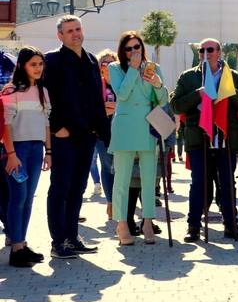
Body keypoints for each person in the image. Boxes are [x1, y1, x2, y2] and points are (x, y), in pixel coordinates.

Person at [170, 38, 238, 243]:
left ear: (219, 52)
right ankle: (194, 227)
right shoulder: (189, 77)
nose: (205, 53)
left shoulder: (233, 77)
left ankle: (231, 225)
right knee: (198, 183)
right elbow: (176, 106)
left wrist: (230, 93)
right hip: (199, 139)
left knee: (227, 183)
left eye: (210, 49)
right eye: (201, 50)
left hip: (225, 139)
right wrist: (197, 94)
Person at [43, 15, 110, 259]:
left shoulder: (92, 60)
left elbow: (97, 100)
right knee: (60, 188)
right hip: (64, 136)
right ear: (60, 36)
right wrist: (55, 128)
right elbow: (45, 98)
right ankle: (58, 242)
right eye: (69, 30)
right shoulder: (52, 60)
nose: (75, 34)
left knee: (78, 189)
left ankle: (72, 237)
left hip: (87, 136)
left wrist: (103, 132)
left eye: (78, 29)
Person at [106, 31, 166, 246]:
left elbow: (163, 99)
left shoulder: (153, 67)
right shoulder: (114, 68)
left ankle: (148, 221)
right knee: (121, 179)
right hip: (124, 128)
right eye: (129, 48)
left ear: (142, 48)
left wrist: (158, 84)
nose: (133, 52)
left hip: (148, 128)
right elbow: (122, 94)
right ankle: (121, 224)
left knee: (149, 180)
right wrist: (132, 69)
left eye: (137, 47)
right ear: (123, 51)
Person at [4, 48, 52, 266]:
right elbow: (5, 126)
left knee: (28, 199)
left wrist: (48, 152)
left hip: (36, 150)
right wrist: (12, 155)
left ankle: (22, 244)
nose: (38, 68)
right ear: (23, 65)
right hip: (17, 151)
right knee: (18, 198)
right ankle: (15, 249)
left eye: (40, 64)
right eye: (33, 64)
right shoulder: (11, 91)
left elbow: (46, 124)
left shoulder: (43, 91)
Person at [91, 49, 117, 207]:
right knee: (107, 167)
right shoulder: (94, 84)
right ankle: (111, 202)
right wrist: (103, 109)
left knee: (122, 167)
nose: (107, 66)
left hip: (121, 131)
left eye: (111, 63)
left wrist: (117, 107)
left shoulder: (121, 82)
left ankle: (123, 202)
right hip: (102, 132)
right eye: (103, 63)